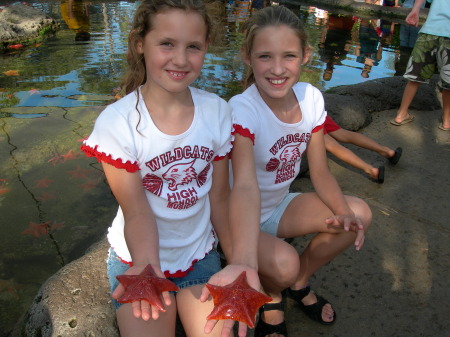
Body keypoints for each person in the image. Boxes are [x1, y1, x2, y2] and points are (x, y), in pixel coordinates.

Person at [81, 1, 259, 336]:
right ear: (139, 44)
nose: (180, 59)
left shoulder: (217, 112)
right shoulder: (118, 123)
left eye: (192, 47)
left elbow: (220, 200)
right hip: (140, 258)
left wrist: (237, 265)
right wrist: (147, 268)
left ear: (206, 48)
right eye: (166, 44)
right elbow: (136, 211)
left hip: (199, 256)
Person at [228, 6, 372, 337]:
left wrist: (342, 213)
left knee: (358, 215)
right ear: (247, 57)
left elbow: (319, 172)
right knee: (283, 261)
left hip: (278, 205)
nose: (277, 69)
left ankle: (298, 280)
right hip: (241, 215)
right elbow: (245, 188)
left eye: (288, 56)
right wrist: (246, 258)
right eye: (265, 56)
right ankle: (272, 296)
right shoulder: (243, 109)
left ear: (305, 55)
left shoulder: (311, 98)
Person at [390, 0, 450, 131]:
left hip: (430, 31)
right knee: (448, 83)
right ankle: (446, 121)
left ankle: (401, 114)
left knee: (414, 76)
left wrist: (415, 9)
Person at [323, 116, 403, 184]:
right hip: (317, 110)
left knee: (332, 145)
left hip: (311, 119)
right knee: (342, 133)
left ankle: (371, 170)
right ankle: (387, 151)